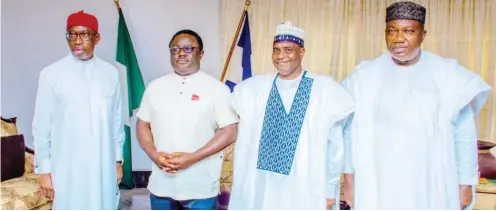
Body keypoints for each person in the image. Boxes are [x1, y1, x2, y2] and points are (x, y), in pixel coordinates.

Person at [341, 1, 492, 210]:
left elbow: (464, 136)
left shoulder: (449, 76)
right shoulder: (363, 77)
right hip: (377, 184)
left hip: (431, 183)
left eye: (408, 31)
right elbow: (347, 132)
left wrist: (465, 184)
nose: (398, 39)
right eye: (391, 31)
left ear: (423, 34)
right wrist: (349, 180)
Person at [228, 22, 356, 210]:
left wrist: (329, 190)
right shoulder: (253, 89)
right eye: (276, 50)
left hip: (306, 187)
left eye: (288, 50)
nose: (280, 56)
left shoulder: (325, 90)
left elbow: (335, 146)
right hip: (261, 186)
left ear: (302, 52)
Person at [136, 29, 239, 210]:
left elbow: (230, 131)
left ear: (201, 54)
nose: (181, 53)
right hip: (162, 184)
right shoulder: (155, 87)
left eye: (188, 49)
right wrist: (154, 154)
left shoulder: (217, 89)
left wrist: (191, 158)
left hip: (200, 186)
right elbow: (142, 124)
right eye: (175, 49)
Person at [32, 10, 124, 209]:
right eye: (72, 34)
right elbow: (41, 126)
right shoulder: (51, 74)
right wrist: (44, 171)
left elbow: (116, 122)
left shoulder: (110, 74)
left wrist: (117, 161)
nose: (77, 40)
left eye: (84, 34)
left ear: (97, 38)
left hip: (103, 164)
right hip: (67, 165)